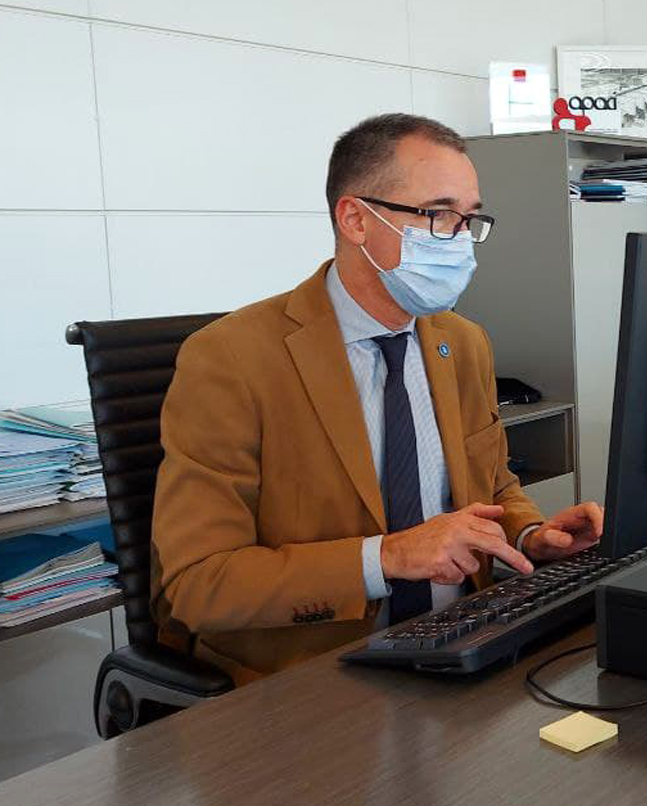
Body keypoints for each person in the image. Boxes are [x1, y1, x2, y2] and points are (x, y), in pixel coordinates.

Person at [150, 114, 603, 684]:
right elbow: (198, 584)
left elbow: (492, 489)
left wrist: (531, 537)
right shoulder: (230, 359)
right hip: (314, 675)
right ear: (356, 219)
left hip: (464, 641)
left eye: (469, 219)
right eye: (438, 215)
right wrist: (387, 557)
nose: (460, 240)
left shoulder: (463, 343)